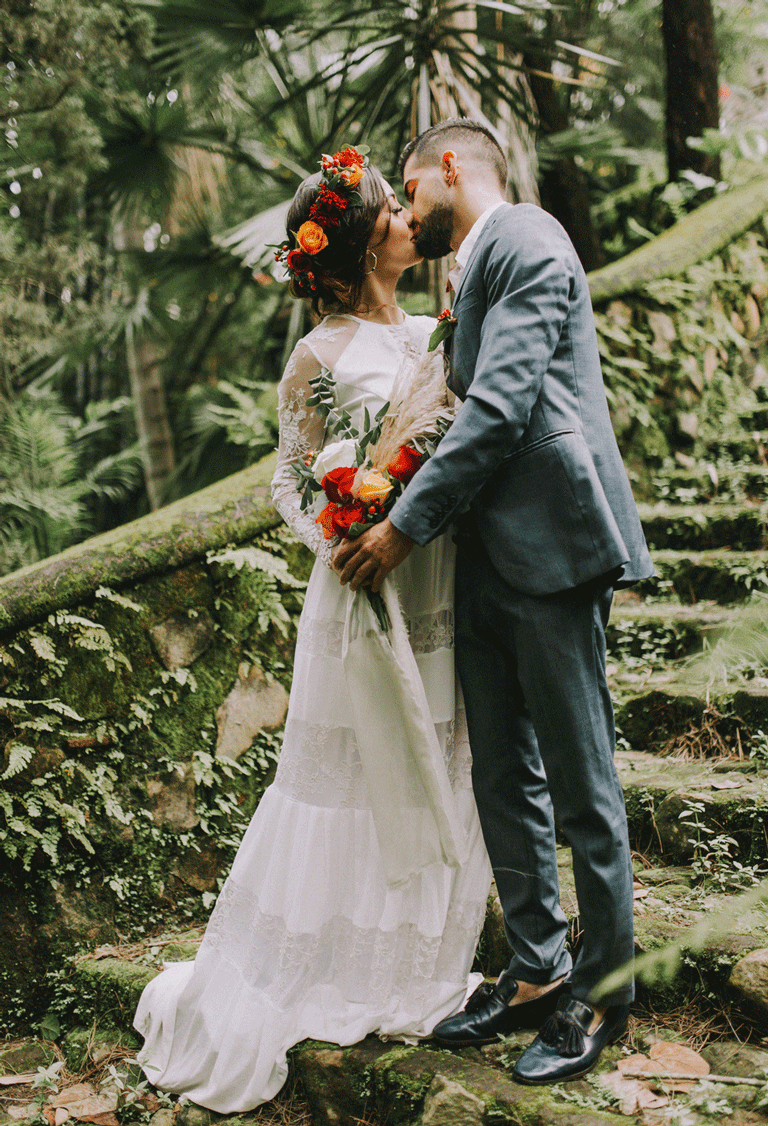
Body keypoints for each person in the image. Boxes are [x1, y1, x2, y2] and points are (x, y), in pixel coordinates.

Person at [132, 149, 492, 1112]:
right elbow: (289, 481)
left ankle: (412, 964)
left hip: (436, 579)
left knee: (434, 751)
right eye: (391, 209)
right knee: (349, 773)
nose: (408, 216)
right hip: (363, 587)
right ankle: (322, 962)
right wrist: (342, 531)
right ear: (362, 244)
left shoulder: (437, 329)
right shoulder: (317, 357)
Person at [334, 119, 655, 1085]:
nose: (407, 210)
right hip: (483, 560)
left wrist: (401, 528)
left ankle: (605, 990)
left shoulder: (527, 238)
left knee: (580, 783)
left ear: (450, 168)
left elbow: (502, 406)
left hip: (552, 548)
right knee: (502, 776)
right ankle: (536, 968)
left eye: (410, 190)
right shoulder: (471, 271)